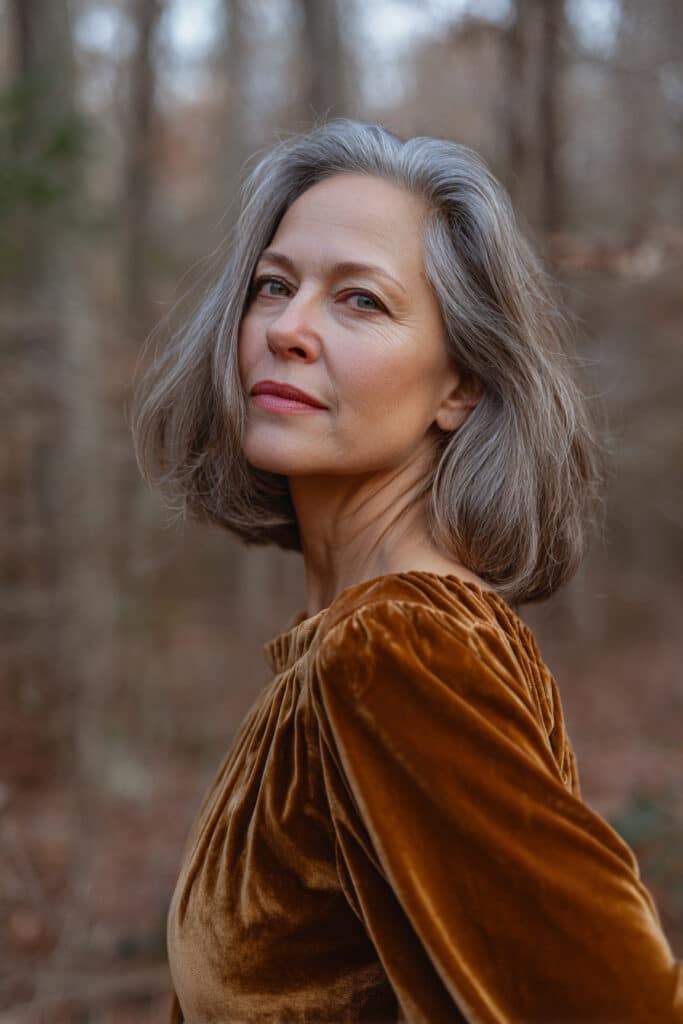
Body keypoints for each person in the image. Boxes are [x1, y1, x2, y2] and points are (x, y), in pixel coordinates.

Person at [129, 118, 683, 1022]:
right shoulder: (349, 651)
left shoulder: (401, 651)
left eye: (361, 302)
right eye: (274, 286)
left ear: (458, 384)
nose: (289, 329)